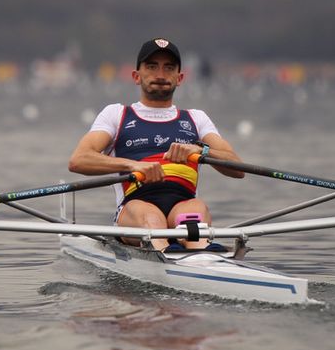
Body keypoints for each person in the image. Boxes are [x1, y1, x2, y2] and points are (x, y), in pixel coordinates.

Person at [68, 38, 244, 249]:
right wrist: (132, 165)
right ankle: (167, 254)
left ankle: (199, 257)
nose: (160, 75)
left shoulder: (196, 118)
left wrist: (201, 150)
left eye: (168, 68)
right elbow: (79, 160)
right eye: (152, 67)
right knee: (152, 220)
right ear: (136, 76)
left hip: (183, 202)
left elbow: (237, 167)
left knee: (194, 213)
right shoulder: (117, 114)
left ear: (180, 78)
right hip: (136, 206)